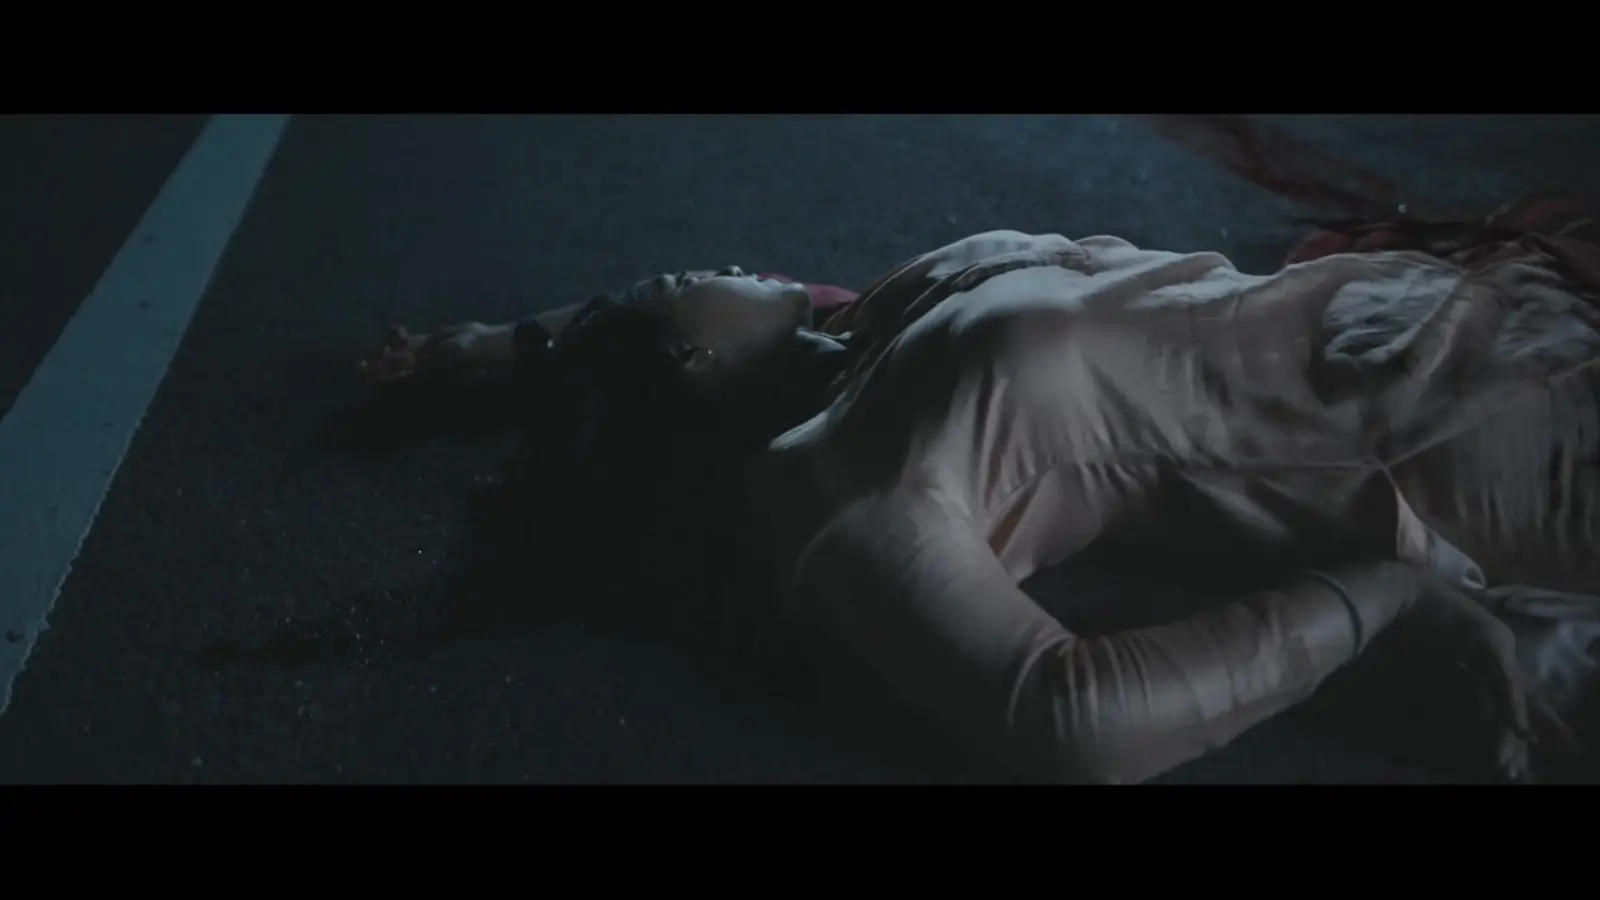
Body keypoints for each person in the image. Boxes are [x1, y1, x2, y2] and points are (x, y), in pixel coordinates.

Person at [362, 225, 1600, 784]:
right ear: (685, 386)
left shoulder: (884, 314)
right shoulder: (839, 485)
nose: (711, 266)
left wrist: (491, 353)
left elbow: (665, 321)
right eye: (682, 289)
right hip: (1457, 451)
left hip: (1458, 341)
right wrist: (1382, 604)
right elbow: (1069, 720)